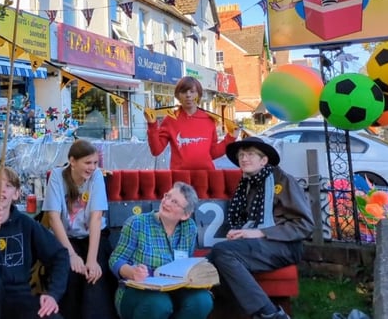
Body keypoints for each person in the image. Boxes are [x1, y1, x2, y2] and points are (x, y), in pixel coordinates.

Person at [207, 136, 314, 319]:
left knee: (223, 253)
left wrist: (258, 232)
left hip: (284, 244)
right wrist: (241, 232)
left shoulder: (283, 181)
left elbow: (304, 225)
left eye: (250, 154)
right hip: (263, 244)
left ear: (264, 160)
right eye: (241, 155)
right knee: (214, 258)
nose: (244, 159)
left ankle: (270, 314)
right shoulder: (247, 184)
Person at [0, 166, 70, 319]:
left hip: (19, 298)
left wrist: (53, 294)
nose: (1, 190)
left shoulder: (26, 224)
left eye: (8, 186)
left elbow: (60, 255)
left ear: (16, 194)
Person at [109, 182, 213, 319]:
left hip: (175, 288)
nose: (166, 202)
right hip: (138, 290)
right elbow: (115, 259)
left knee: (202, 300)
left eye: (175, 202)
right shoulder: (137, 223)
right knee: (159, 304)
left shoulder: (190, 228)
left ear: (185, 215)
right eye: (167, 196)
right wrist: (132, 272)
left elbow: (185, 265)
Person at [42, 139, 118, 319]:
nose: (92, 167)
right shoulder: (57, 176)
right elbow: (54, 218)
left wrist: (91, 260)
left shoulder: (97, 176)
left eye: (95, 163)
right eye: (87, 163)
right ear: (73, 161)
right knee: (71, 272)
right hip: (65, 237)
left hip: (93, 235)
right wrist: (70, 254)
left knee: (95, 275)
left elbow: (96, 218)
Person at [145, 76, 238, 171]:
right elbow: (156, 150)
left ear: (199, 94)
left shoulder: (209, 120)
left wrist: (230, 138)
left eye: (192, 91)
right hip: (180, 178)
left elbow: (212, 153)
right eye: (184, 92)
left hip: (206, 177)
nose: (188, 95)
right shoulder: (171, 119)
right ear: (178, 95)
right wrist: (152, 124)